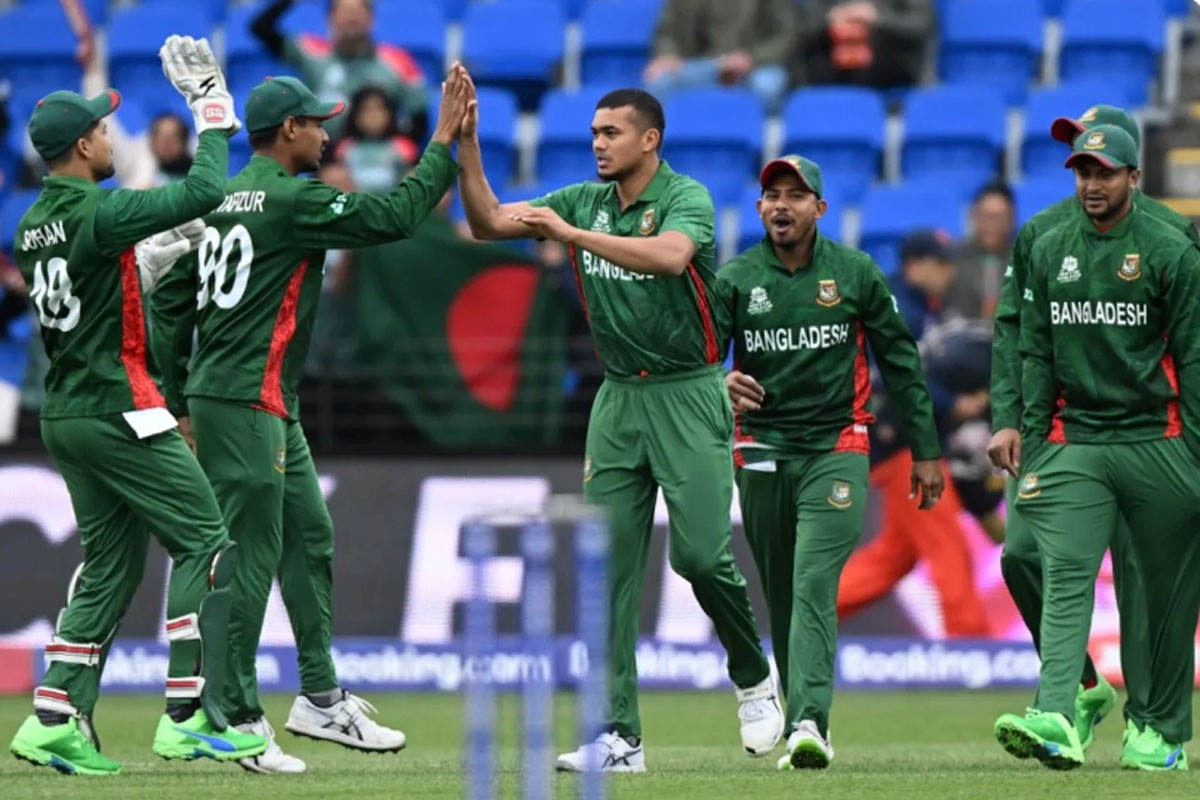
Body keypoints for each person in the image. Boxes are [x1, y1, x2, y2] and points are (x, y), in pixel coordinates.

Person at [149, 66, 472, 774]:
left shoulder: (219, 197)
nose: (328, 135)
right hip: (246, 399)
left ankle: (320, 697)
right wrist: (442, 140)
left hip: (253, 399)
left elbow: (169, 299)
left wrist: (176, 397)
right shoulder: (294, 199)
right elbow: (395, 217)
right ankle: (236, 716)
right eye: (317, 123)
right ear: (289, 129)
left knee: (311, 537)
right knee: (248, 559)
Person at [456, 84, 783, 771]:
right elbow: (485, 222)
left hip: (688, 392)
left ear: (649, 140)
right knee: (606, 571)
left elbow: (669, 257)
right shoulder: (583, 199)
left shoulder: (685, 197)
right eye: (594, 133)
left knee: (700, 557)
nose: (599, 143)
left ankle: (753, 675)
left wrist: (571, 237)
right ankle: (619, 736)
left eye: (612, 132)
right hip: (617, 400)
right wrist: (467, 143)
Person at [6, 35, 268, 775]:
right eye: (102, 128)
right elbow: (204, 193)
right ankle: (189, 715)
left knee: (110, 569)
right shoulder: (98, 211)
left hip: (66, 414)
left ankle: (53, 717)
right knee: (207, 544)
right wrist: (211, 113)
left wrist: (136, 265)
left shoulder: (30, 225)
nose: (110, 137)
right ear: (82, 145)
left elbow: (87, 295)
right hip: (120, 407)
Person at [987, 104, 1199, 762]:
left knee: (1152, 587)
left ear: (1132, 172)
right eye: (1079, 160)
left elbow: (1192, 353)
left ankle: (1154, 726)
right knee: (1028, 557)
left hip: (1153, 434)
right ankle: (1072, 695)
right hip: (1068, 430)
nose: (1089, 176)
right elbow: (1020, 338)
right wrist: (1014, 422)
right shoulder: (1044, 236)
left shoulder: (1171, 240)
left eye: (1101, 164)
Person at [718, 155, 943, 770]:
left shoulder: (854, 272)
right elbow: (698, 359)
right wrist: (718, 381)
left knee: (815, 582)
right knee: (783, 593)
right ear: (759, 208)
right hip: (760, 449)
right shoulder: (735, 279)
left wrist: (926, 450)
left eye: (796, 195)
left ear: (819, 208)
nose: (782, 205)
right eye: (772, 195)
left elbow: (902, 361)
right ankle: (798, 715)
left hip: (837, 446)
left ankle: (809, 722)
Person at [835, 231, 990, 637]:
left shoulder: (914, 306)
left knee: (895, 557)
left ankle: (806, 615)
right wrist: (951, 404)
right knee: (948, 546)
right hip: (905, 447)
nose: (949, 272)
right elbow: (892, 375)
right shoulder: (900, 308)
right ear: (914, 265)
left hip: (899, 445)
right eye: (941, 263)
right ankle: (971, 645)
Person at [249, 0, 428, 141]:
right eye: (345, 12)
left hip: (384, 162)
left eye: (357, 12)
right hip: (324, 160)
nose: (351, 18)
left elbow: (419, 118)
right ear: (330, 18)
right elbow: (260, 29)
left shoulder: (396, 61)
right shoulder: (312, 53)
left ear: (372, 18)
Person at [643, 0, 797, 112]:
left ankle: (764, 144)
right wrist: (668, 54)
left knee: (767, 87)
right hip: (703, 64)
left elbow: (787, 35)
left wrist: (752, 57)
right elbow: (668, 31)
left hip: (756, 65)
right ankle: (659, 143)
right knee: (660, 82)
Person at [793, 0, 934, 90]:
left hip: (892, 64)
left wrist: (878, 16)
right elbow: (803, 27)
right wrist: (830, 17)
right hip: (832, 67)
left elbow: (921, 23)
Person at [945, 181, 1014, 321]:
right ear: (974, 216)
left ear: (1011, 220)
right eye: (987, 216)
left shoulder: (1025, 260)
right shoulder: (952, 259)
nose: (992, 224)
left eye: (999, 217)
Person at [333, 85, 418, 195]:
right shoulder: (345, 148)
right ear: (355, 116)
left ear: (389, 113)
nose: (373, 115)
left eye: (379, 109)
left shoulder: (403, 146)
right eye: (366, 110)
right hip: (356, 201)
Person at [148, 113, 193, 186]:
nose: (166, 144)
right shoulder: (143, 174)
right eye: (161, 138)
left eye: (172, 138)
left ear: (184, 141)